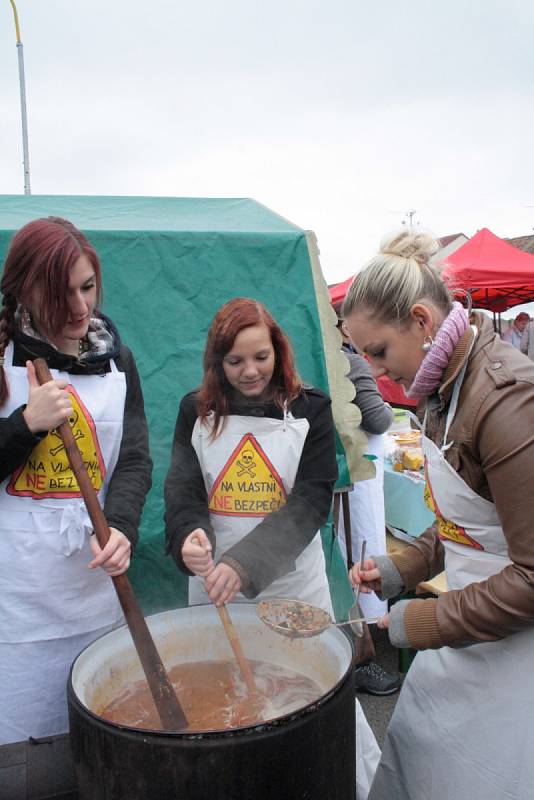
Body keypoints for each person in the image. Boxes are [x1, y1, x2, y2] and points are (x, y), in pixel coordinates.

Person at [343, 230, 534, 800]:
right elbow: (469, 521)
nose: (376, 373)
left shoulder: (505, 402)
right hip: (465, 633)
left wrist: (417, 622)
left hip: (513, 654)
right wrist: (405, 567)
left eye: (379, 352)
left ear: (423, 323)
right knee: (420, 761)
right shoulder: (440, 388)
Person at [164, 297, 381, 800]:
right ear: (217, 362)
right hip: (215, 589)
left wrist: (244, 563)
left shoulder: (311, 410)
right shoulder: (195, 411)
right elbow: (183, 490)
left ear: (278, 350)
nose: (249, 371)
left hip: (292, 592)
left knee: (309, 701)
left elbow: (310, 502)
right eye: (234, 361)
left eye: (260, 357)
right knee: (226, 703)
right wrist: (188, 536)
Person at [0, 217, 152, 745]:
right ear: (24, 290)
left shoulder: (117, 361)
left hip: (93, 589)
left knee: (97, 731)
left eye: (88, 288)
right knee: (21, 752)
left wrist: (123, 527)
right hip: (14, 605)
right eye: (61, 294)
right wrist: (23, 426)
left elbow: (133, 459)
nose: (82, 309)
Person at [335, 316, 401, 697]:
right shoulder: (351, 362)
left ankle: (351, 656)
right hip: (352, 478)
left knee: (345, 561)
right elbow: (377, 419)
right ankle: (362, 659)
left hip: (336, 473)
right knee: (358, 554)